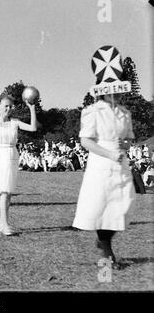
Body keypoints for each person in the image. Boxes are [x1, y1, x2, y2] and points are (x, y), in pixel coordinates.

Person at [72, 93, 136, 269]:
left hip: (120, 162)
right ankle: (107, 252)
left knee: (124, 205)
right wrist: (109, 154)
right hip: (101, 161)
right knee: (103, 206)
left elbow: (129, 137)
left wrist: (125, 145)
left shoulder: (125, 112)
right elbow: (85, 140)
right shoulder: (92, 111)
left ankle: (103, 240)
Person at [0, 94, 37, 236]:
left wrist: (32, 109)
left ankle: (3, 224)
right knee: (4, 191)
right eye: (5, 106)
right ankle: (4, 225)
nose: (8, 109)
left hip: (11, 156)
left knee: (9, 192)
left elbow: (33, 128)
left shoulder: (15, 122)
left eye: (10, 106)